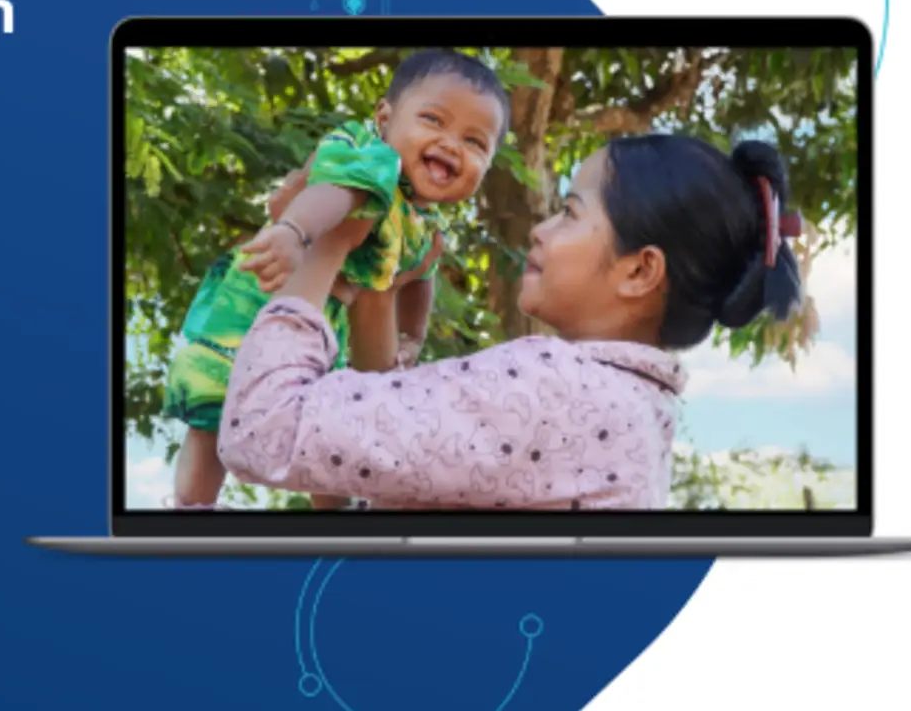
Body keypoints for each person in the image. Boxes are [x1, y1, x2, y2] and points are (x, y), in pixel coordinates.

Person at [218, 136, 804, 510]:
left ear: (639, 270)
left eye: (571, 213)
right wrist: (377, 292)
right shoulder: (637, 407)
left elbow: (264, 432)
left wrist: (327, 244)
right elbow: (385, 436)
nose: (540, 229)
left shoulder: (552, 384)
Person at [160, 49, 511, 508]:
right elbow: (337, 193)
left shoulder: (425, 226)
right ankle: (192, 508)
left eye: (475, 142)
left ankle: (336, 524)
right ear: (384, 117)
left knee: (334, 440)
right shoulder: (371, 156)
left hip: (329, 336)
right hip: (263, 303)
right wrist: (293, 230)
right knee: (214, 415)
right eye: (433, 120)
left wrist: (413, 336)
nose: (451, 144)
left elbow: (420, 279)